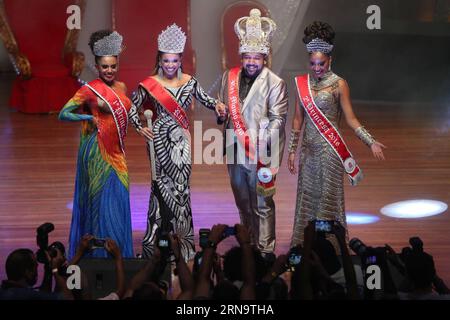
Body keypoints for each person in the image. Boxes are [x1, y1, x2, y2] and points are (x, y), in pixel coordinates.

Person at [129, 24, 226, 260]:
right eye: (166, 61)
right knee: (159, 187)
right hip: (159, 140)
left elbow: (207, 100)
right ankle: (158, 242)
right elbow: (131, 107)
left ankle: (182, 243)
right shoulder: (149, 84)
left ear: (180, 60)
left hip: (182, 141)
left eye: (174, 61)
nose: (170, 65)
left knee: (181, 188)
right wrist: (139, 128)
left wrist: (219, 106)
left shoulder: (190, 82)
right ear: (159, 60)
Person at [287, 21, 386, 246]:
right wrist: (292, 151)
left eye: (321, 63)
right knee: (307, 197)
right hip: (308, 151)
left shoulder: (339, 84)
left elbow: (351, 119)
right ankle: (307, 244)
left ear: (330, 60)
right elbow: (297, 119)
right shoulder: (301, 84)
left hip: (331, 152)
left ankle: (330, 245)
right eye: (312, 64)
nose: (316, 68)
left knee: (328, 199)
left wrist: (370, 142)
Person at [59, 30, 139, 259]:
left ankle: (118, 253)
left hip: (117, 151)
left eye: (113, 66)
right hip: (96, 150)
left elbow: (128, 111)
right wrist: (87, 118)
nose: (109, 70)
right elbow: (64, 114)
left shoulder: (122, 87)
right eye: (105, 66)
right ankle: (97, 256)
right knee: (99, 200)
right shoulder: (88, 89)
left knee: (119, 195)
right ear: (97, 65)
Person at [218, 9, 288, 258]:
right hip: (234, 150)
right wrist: (220, 113)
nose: (251, 62)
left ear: (265, 58)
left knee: (262, 203)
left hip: (262, 153)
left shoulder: (275, 82)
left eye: (256, 58)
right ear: (241, 56)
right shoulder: (229, 76)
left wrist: (260, 143)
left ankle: (266, 249)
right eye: (247, 57)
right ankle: (249, 243)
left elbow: (279, 119)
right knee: (242, 201)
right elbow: (222, 109)